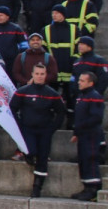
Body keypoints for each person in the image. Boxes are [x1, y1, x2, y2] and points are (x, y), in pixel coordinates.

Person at [11, 63, 66, 198]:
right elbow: (12, 108)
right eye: (37, 74)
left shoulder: (52, 94)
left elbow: (61, 112)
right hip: (27, 129)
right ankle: (28, 155)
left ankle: (37, 187)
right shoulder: (23, 91)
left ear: (45, 75)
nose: (39, 76)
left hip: (44, 131)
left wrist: (52, 128)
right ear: (32, 74)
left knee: (42, 158)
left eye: (42, 74)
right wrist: (19, 125)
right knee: (31, 151)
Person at [71, 71, 104, 202]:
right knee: (83, 160)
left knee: (90, 159)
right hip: (83, 135)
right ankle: (86, 187)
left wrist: (81, 128)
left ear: (91, 83)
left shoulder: (94, 96)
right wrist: (76, 133)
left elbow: (96, 117)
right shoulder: (81, 96)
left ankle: (93, 189)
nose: (79, 82)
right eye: (79, 80)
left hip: (91, 135)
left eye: (82, 81)